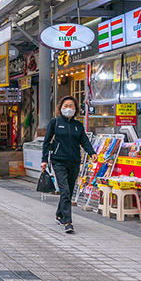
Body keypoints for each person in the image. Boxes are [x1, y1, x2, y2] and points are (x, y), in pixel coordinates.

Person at [41, 95, 96, 234]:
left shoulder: (78, 125)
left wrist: (92, 153)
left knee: (70, 191)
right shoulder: (55, 123)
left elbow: (84, 141)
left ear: (76, 108)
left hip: (74, 162)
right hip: (58, 161)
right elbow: (46, 142)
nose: (68, 109)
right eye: (65, 106)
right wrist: (44, 160)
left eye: (71, 106)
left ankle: (59, 214)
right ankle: (68, 222)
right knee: (64, 190)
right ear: (60, 108)